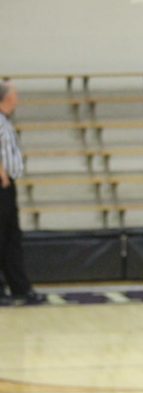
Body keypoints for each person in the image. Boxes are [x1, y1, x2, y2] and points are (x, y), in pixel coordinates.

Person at [0, 81, 45, 307]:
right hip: (1, 183)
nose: (18, 98)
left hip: (8, 186)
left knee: (11, 238)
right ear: (6, 97)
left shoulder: (6, 121)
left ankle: (20, 287)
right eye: (15, 94)